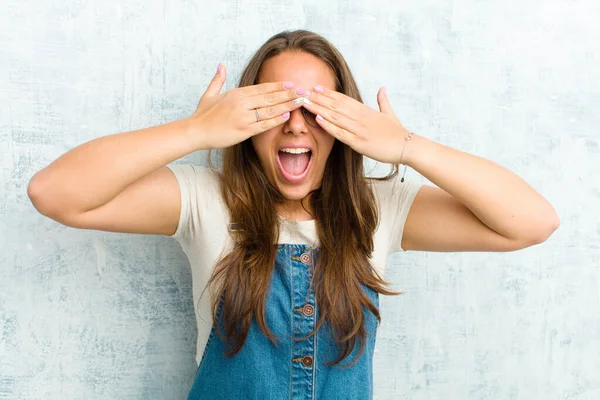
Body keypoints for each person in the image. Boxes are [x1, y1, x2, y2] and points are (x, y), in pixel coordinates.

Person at [27, 30, 559, 399]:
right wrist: (194, 131)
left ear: (345, 122)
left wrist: (407, 146)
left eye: (317, 108)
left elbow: (533, 221)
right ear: (247, 121)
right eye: (275, 107)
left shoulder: (380, 209)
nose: (297, 126)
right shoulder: (205, 200)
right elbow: (55, 193)